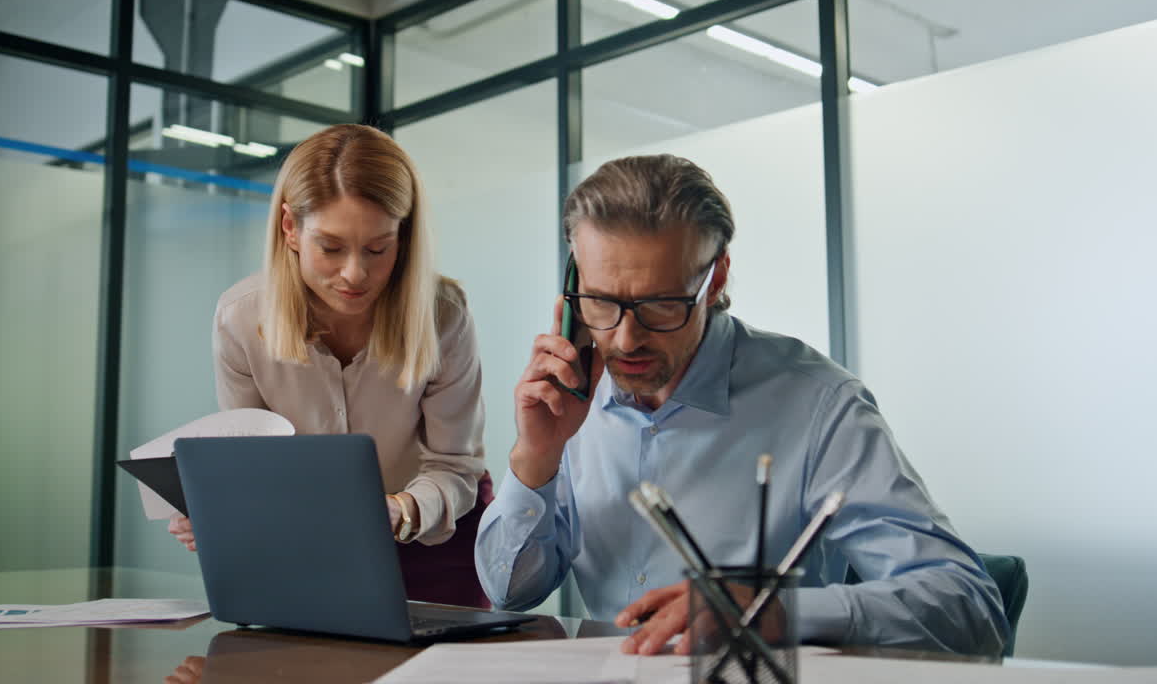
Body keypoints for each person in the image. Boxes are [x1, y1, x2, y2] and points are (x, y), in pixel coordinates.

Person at [474, 154, 1009, 655]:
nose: (626, 338)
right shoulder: (568, 398)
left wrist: (774, 613)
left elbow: (971, 606)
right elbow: (509, 592)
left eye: (662, 304)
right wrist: (535, 457)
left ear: (717, 278)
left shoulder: (819, 404)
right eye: (601, 302)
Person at [168, 124, 491, 608]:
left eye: (378, 248)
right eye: (331, 248)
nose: (355, 274)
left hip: (434, 540)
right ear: (290, 229)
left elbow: (455, 465)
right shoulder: (240, 318)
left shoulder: (443, 315)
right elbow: (250, 463)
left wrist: (400, 510)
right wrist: (220, 512)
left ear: (402, 236)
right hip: (305, 545)